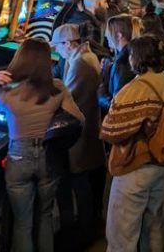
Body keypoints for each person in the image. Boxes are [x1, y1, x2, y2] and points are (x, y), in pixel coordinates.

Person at [0, 38, 86, 252]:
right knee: (45, 216)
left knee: (22, 223)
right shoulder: (57, 88)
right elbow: (79, 119)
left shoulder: (7, 90)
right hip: (48, 156)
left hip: (19, 156)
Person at [100, 35, 164, 252]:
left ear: (138, 57)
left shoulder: (136, 88)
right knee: (153, 224)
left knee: (122, 235)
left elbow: (111, 130)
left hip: (136, 167)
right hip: (162, 163)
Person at [50, 24, 106, 245]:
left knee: (80, 180)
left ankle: (84, 231)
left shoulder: (80, 63)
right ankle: (88, 224)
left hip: (80, 132)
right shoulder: (83, 56)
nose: (56, 51)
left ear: (67, 43)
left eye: (57, 46)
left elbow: (68, 98)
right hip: (88, 128)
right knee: (85, 180)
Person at [99, 15, 142, 116]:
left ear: (118, 36)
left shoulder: (123, 63)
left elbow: (117, 105)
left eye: (108, 33)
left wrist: (100, 95)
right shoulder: (133, 55)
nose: (106, 36)